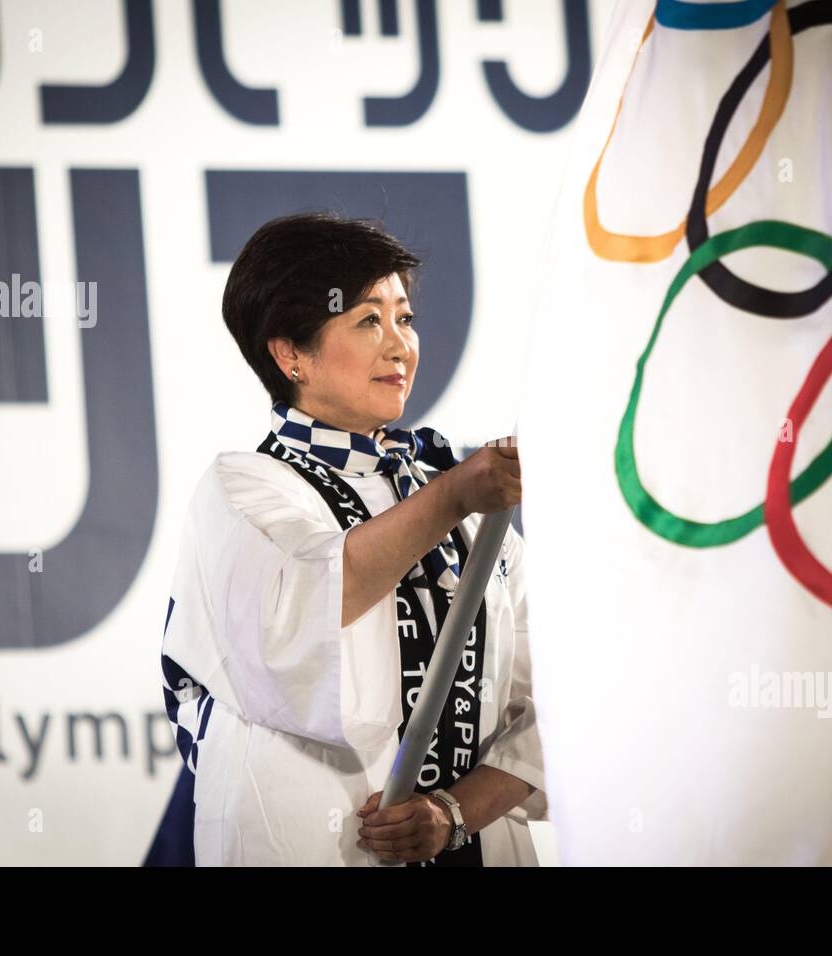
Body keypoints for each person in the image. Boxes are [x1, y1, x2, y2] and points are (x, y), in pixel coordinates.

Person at [159, 211, 546, 865]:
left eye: (405, 318)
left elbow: (546, 699)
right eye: (369, 321)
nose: (399, 346)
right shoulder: (243, 490)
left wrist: (451, 815)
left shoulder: (466, 496)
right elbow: (306, 613)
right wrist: (451, 497)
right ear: (290, 354)